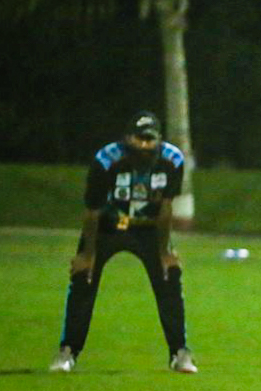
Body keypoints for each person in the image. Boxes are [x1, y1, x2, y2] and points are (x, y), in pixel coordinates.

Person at [51, 111, 196, 374]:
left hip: (148, 229)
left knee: (170, 276)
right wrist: (87, 254)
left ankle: (180, 353)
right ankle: (68, 351)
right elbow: (92, 211)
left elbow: (165, 207)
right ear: (127, 138)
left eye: (149, 139)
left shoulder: (172, 160)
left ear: (159, 140)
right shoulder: (107, 160)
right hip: (107, 227)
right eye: (139, 139)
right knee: (83, 279)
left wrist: (165, 251)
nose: (144, 145)